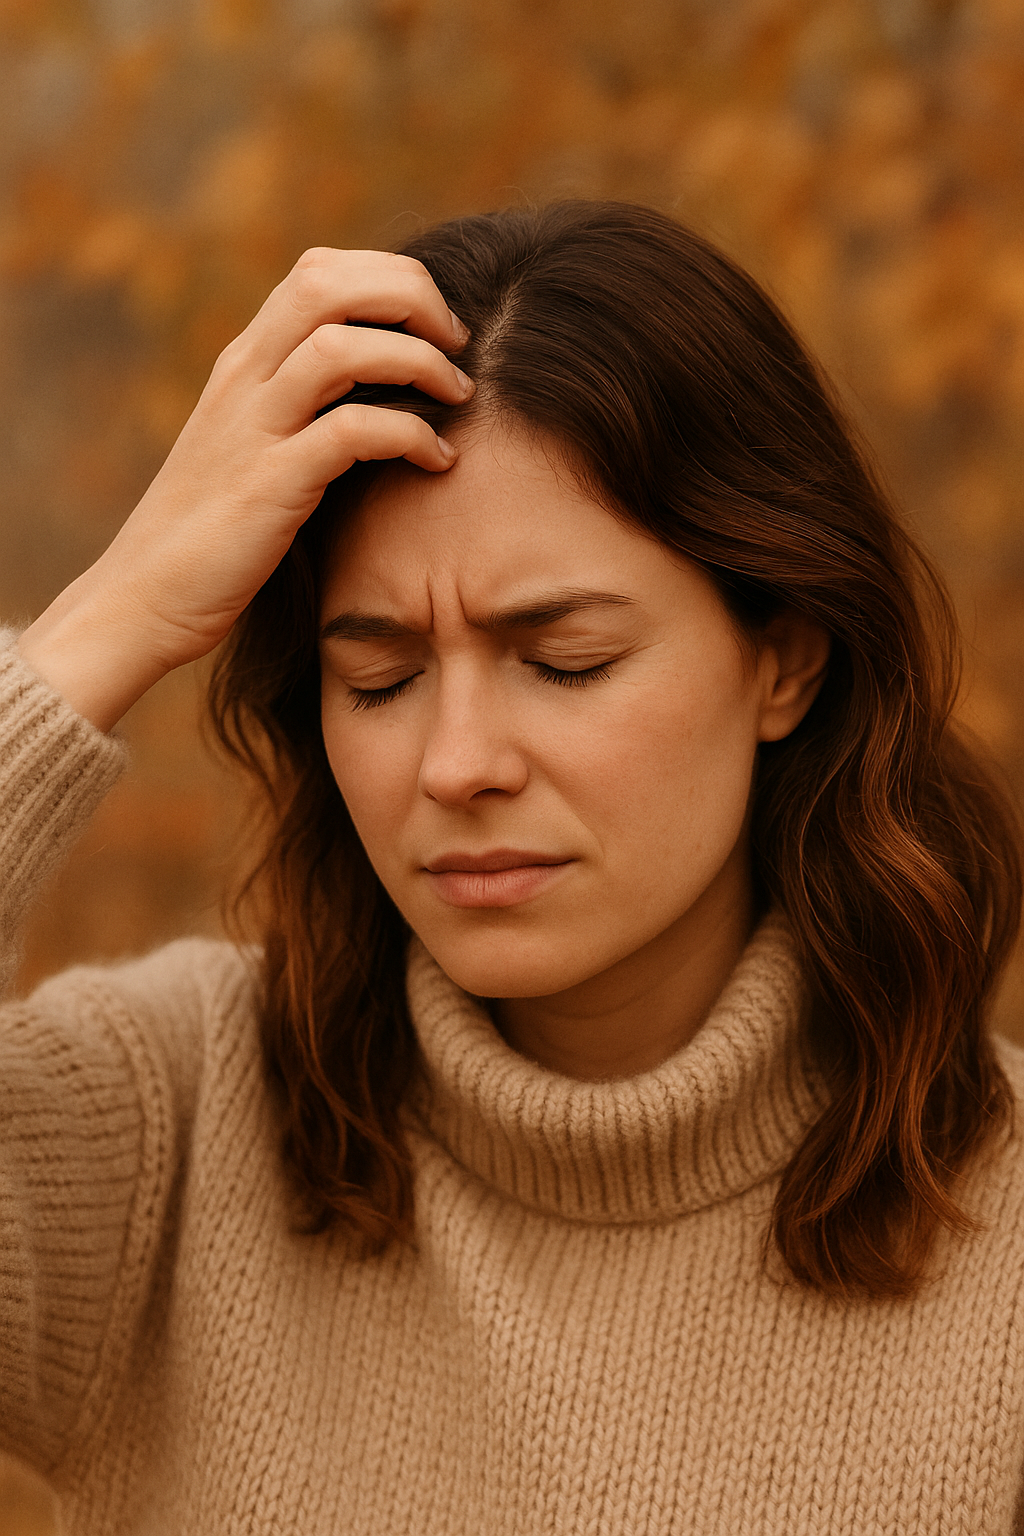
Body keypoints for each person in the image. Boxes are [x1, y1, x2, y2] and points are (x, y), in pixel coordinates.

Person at [2, 201, 1023, 1534]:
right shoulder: (160, 1134)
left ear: (784, 657)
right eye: (380, 677)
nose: (457, 762)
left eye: (565, 662)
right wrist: (105, 625)